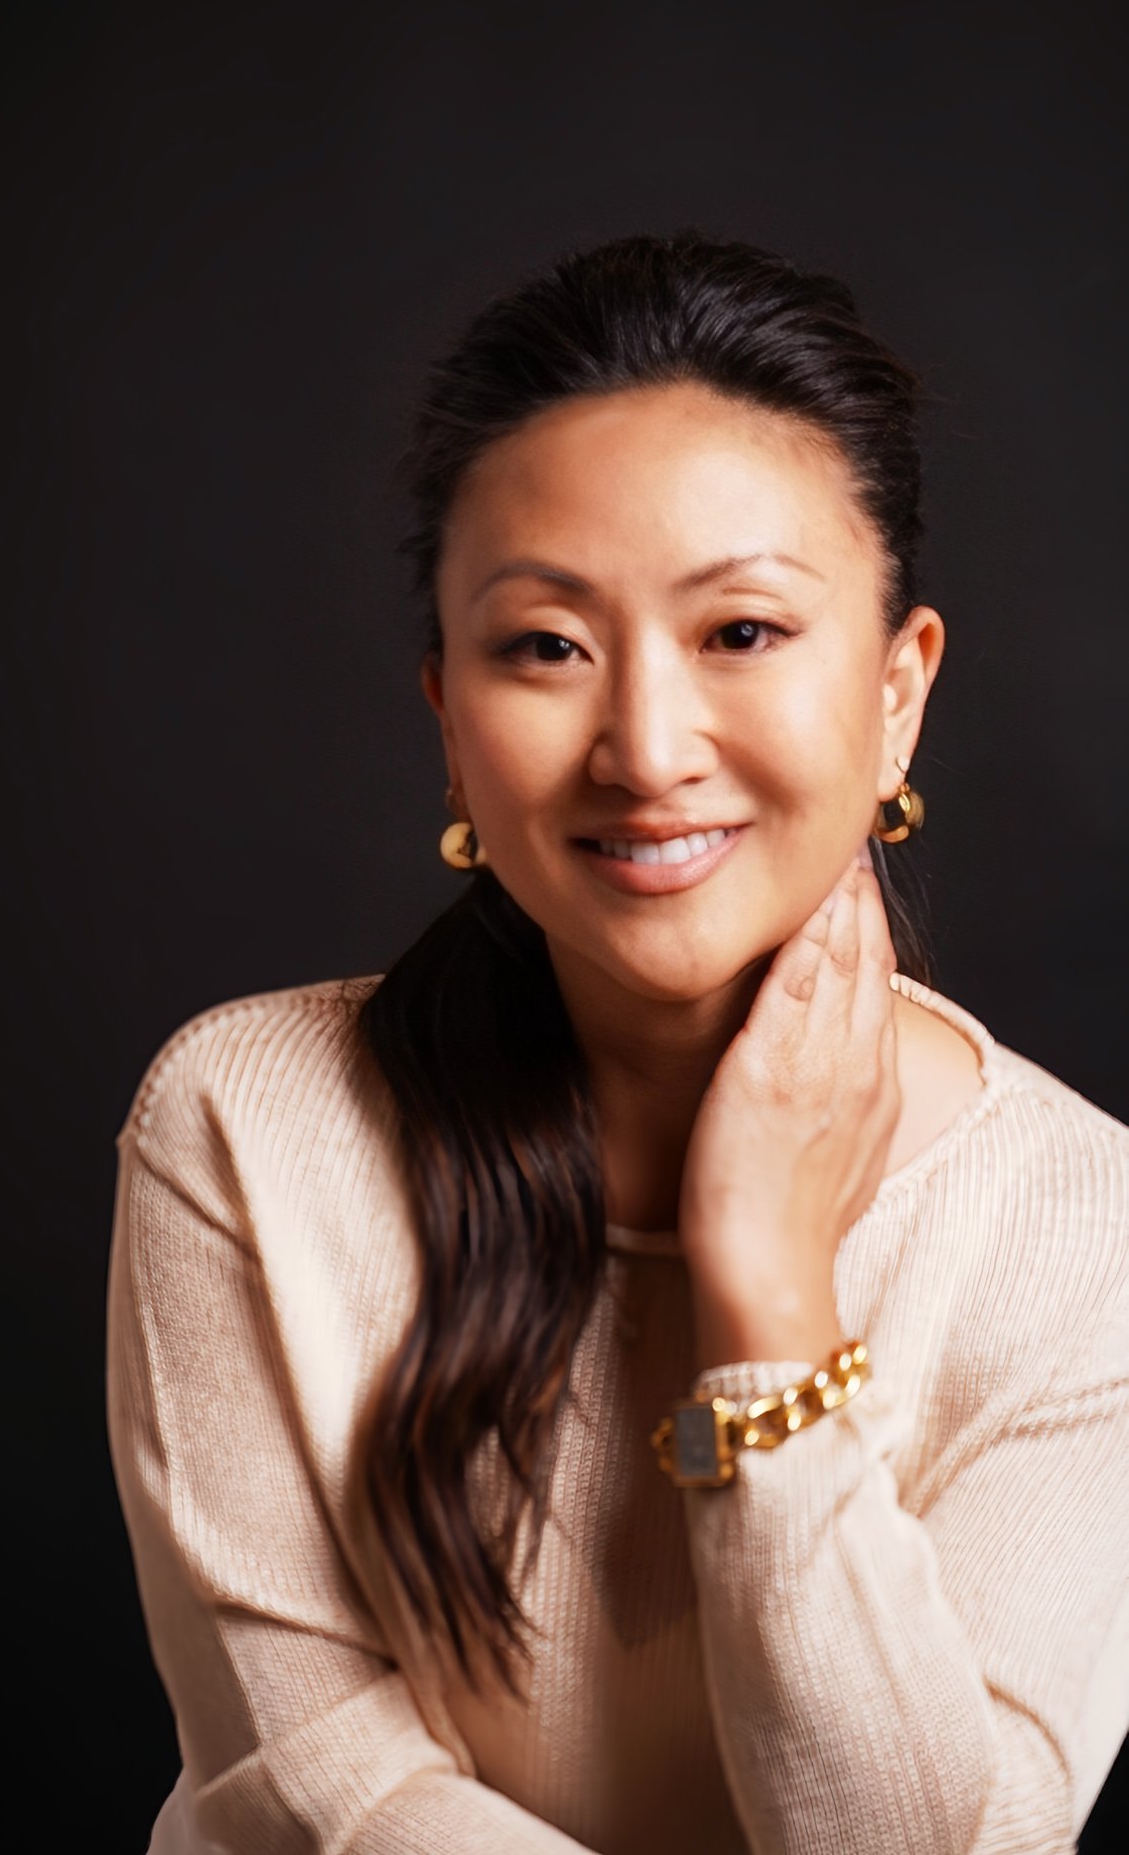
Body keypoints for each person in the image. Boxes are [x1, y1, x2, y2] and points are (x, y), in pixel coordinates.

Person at [105, 231, 1128, 1854]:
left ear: (896, 696)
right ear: (448, 721)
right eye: (545, 647)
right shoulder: (250, 1122)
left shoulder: (1080, 1229)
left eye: (741, 633)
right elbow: (315, 1792)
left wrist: (765, 1285)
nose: (646, 751)